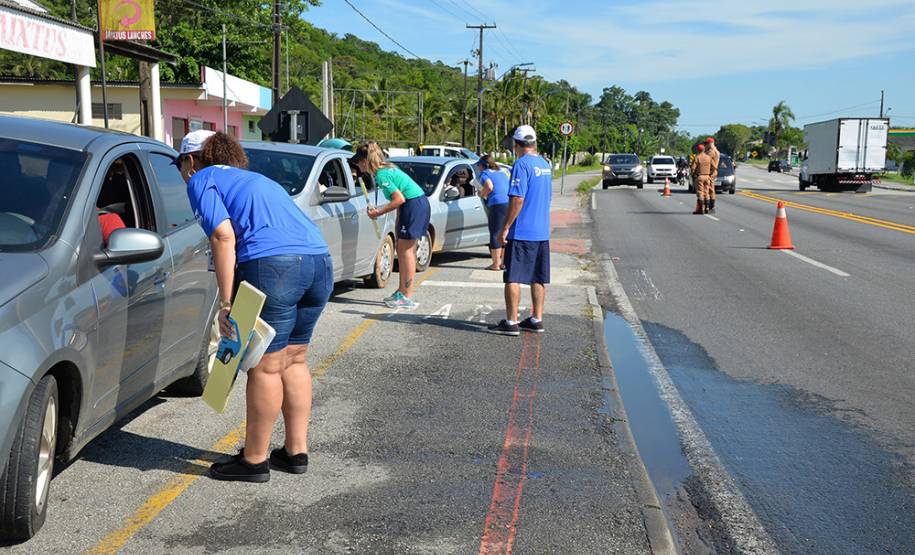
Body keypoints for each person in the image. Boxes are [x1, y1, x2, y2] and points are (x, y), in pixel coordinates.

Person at [178, 130, 333, 483]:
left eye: (180, 165)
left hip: (273, 268)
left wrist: (226, 302)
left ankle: (254, 459)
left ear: (190, 160)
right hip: (319, 264)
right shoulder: (256, 179)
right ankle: (295, 452)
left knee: (265, 367)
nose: (182, 172)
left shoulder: (201, 178)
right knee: (295, 359)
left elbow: (223, 235)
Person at [489, 125, 552, 336]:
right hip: (541, 231)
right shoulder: (544, 164)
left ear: (516, 144)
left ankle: (511, 321)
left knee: (512, 276)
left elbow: (517, 198)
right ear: (534, 143)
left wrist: (505, 227)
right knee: (538, 277)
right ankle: (537, 318)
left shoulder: (521, 165)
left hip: (522, 231)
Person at [352, 141, 431, 310]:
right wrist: (397, 223)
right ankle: (403, 291)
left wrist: (378, 212)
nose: (357, 166)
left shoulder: (381, 175)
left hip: (413, 205)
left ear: (365, 161)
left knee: (405, 252)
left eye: (358, 162)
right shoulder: (386, 168)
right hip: (415, 204)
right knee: (404, 250)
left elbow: (399, 199)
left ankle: (406, 295)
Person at [476, 154, 510, 271]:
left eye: (479, 166)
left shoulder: (484, 174)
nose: (478, 168)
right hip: (508, 203)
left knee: (495, 233)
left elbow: (489, 186)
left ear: (483, 166)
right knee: (504, 232)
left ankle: (495, 264)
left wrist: (482, 194)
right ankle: (503, 263)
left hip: (497, 204)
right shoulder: (502, 172)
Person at [690, 144, 714, 214]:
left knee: (700, 192)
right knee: (706, 192)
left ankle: (701, 209)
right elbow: (714, 167)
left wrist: (693, 175)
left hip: (700, 176)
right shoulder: (708, 157)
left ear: (698, 150)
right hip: (707, 177)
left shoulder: (697, 157)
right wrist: (710, 174)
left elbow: (693, 168)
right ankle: (707, 208)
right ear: (704, 150)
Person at [706, 137, 721, 213]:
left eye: (707, 143)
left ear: (710, 143)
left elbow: (706, 161)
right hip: (713, 171)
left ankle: (710, 207)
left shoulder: (711, 152)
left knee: (709, 189)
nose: (706, 145)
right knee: (711, 189)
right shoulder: (717, 151)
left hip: (710, 172)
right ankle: (711, 207)